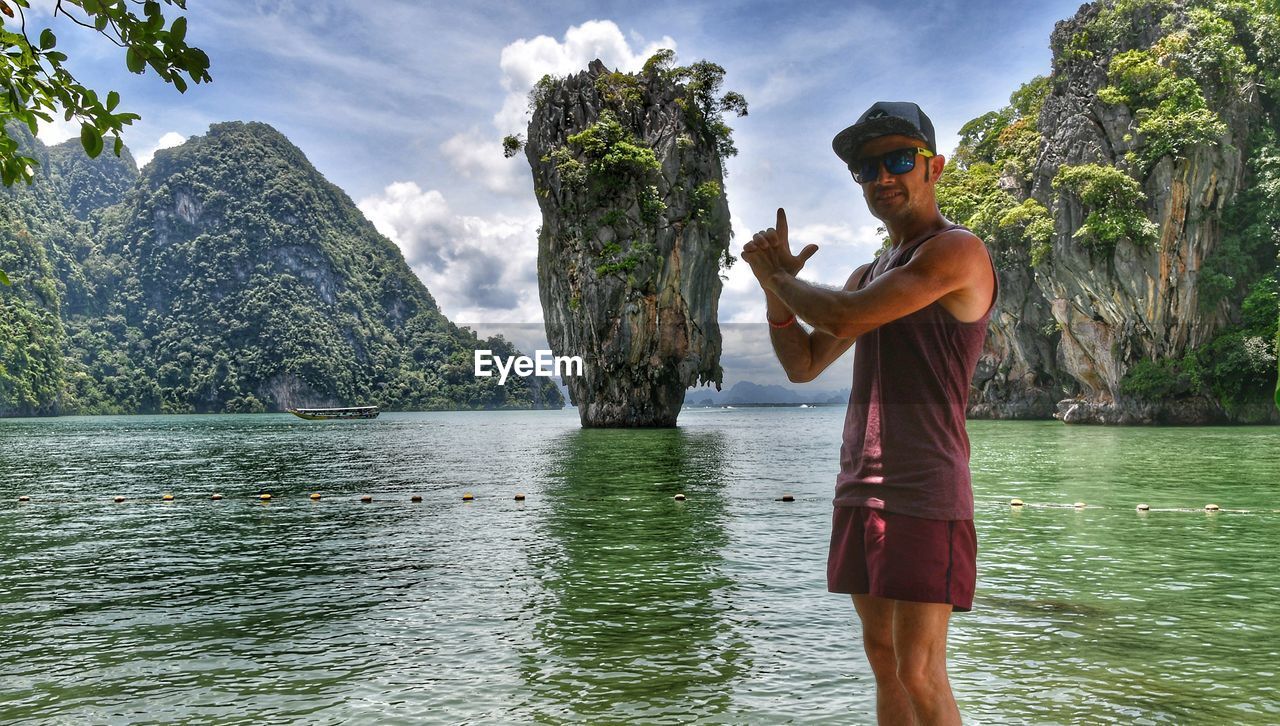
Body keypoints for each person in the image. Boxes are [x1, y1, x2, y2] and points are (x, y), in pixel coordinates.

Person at [740, 101, 997, 725]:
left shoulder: (955, 252)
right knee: (883, 656)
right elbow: (804, 364)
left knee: (919, 669)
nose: (882, 177)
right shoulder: (869, 272)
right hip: (861, 485)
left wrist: (779, 278)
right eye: (866, 169)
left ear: (933, 166)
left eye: (898, 160)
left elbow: (844, 317)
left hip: (924, 486)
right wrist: (777, 299)